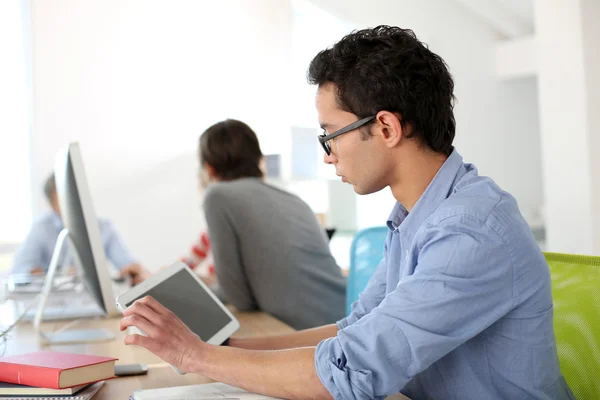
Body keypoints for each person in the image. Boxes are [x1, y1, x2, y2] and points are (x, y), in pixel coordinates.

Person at [120, 26, 574, 399]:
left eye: (330, 134)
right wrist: (228, 348)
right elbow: (354, 330)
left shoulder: (470, 231)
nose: (328, 155)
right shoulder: (415, 215)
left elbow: (351, 371)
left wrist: (194, 357)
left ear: (386, 127)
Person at [187, 119, 345, 330]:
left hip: (307, 334)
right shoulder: (294, 200)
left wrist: (182, 296)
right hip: (344, 319)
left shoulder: (217, 196)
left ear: (209, 168)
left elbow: (239, 298)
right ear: (258, 160)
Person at [12, 174, 148, 285]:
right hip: (53, 304)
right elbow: (21, 270)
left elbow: (127, 263)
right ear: (52, 204)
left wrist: (133, 271)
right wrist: (59, 275)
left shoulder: (103, 227)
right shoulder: (41, 227)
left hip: (92, 305)